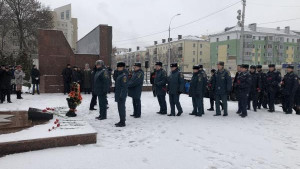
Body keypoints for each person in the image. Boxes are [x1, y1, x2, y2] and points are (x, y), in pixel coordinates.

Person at [114, 62, 128, 127]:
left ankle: (122, 122)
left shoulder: (123, 76)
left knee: (121, 108)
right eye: (117, 67)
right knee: (120, 108)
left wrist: (121, 95)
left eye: (119, 67)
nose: (118, 68)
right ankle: (121, 120)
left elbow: (124, 87)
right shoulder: (120, 74)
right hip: (119, 94)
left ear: (122, 67)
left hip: (121, 95)